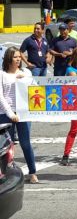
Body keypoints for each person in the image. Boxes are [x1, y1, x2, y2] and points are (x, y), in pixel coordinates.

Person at [0, 47, 37, 183]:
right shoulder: (2, 74)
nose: (18, 59)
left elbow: (35, 89)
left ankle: (32, 172)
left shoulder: (26, 72)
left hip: (23, 112)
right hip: (5, 113)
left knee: (25, 142)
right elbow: (1, 97)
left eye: (19, 57)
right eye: (15, 57)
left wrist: (26, 79)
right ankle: (5, 173)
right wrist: (10, 113)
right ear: (9, 58)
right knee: (5, 145)